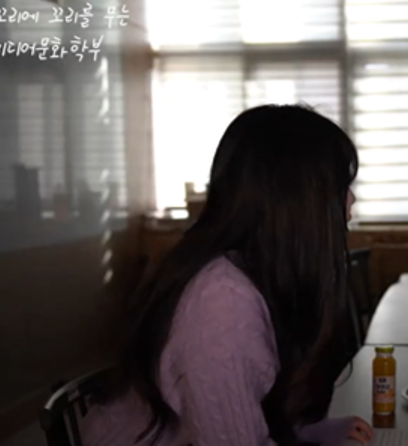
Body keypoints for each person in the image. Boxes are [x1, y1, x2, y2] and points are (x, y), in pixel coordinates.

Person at [83, 104, 373, 446]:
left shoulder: (254, 276)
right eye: (341, 185)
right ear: (298, 200)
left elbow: (246, 410)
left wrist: (311, 433)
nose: (351, 200)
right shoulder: (221, 301)